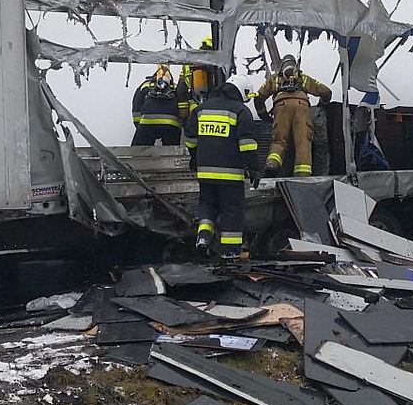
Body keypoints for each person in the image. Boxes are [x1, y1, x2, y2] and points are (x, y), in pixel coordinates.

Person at [183, 74, 261, 258]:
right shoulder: (240, 111)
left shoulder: (202, 109)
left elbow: (190, 136)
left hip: (205, 172)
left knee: (208, 205)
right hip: (230, 174)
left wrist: (194, 158)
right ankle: (231, 252)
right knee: (232, 211)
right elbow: (247, 144)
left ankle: (203, 237)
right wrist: (253, 168)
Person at [255, 55, 332, 177]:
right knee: (303, 143)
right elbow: (326, 92)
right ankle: (303, 175)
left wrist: (264, 115)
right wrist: (321, 106)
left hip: (281, 107)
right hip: (302, 107)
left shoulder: (275, 79)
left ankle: (272, 165)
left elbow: (258, 97)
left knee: (279, 141)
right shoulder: (304, 79)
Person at [131, 64, 183, 146]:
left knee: (138, 152)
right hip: (171, 125)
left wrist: (139, 125)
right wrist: (180, 124)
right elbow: (182, 106)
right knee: (171, 153)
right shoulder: (175, 87)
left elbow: (136, 106)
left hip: (147, 123)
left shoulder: (145, 85)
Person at [178, 36, 216, 120]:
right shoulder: (218, 63)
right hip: (214, 109)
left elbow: (181, 89)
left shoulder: (189, 64)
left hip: (194, 109)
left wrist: (183, 110)